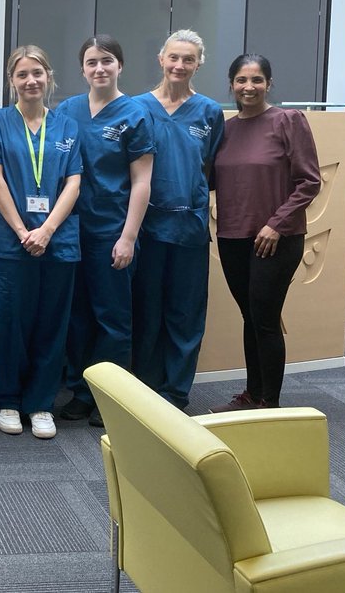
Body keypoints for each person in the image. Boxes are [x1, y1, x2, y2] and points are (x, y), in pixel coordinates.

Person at [0, 46, 82, 439]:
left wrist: (48, 230)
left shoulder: (67, 126)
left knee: (51, 324)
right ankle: (7, 399)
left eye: (37, 72)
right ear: (12, 81)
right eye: (22, 74)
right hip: (10, 242)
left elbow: (74, 182)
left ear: (49, 76)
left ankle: (40, 403)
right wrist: (23, 231)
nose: (30, 80)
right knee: (8, 322)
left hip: (58, 242)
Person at [211, 54, 321, 411]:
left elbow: (309, 181)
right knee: (250, 316)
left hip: (277, 239)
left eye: (257, 80)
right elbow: (211, 179)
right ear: (231, 85)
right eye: (241, 80)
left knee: (266, 318)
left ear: (269, 84)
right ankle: (252, 393)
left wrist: (277, 223)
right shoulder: (225, 130)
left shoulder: (288, 120)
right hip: (232, 236)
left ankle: (268, 403)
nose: (249, 87)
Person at [57, 35, 154, 427]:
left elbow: (142, 180)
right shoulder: (67, 110)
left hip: (111, 230)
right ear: (81, 68)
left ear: (120, 66)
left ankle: (110, 397)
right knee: (77, 317)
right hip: (69, 231)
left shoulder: (134, 114)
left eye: (107, 61)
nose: (100, 68)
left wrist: (128, 236)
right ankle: (81, 392)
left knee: (112, 318)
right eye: (92, 62)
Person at [131, 30, 224, 410]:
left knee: (185, 313)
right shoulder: (136, 108)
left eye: (188, 59)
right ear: (160, 58)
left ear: (198, 63)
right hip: (147, 228)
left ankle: (176, 391)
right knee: (146, 309)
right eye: (174, 57)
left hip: (189, 229)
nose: (179, 66)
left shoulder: (209, 112)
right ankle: (147, 387)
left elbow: (210, 168)